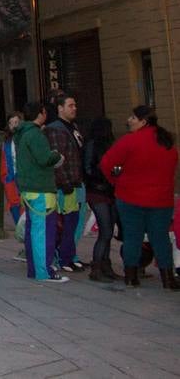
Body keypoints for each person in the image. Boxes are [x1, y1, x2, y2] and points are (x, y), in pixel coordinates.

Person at [100, 105, 179, 290]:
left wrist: (116, 180)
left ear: (143, 121)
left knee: (133, 237)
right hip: (161, 199)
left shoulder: (130, 141)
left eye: (133, 117)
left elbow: (107, 163)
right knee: (160, 238)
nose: (129, 120)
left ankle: (131, 276)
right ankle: (168, 278)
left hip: (130, 197)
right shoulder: (167, 142)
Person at [13, 101, 69, 283]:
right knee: (43, 232)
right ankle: (43, 271)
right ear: (41, 113)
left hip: (29, 190)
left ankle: (34, 269)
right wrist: (57, 156)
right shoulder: (35, 135)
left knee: (33, 231)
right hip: (41, 190)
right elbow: (44, 158)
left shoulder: (22, 134)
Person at [44, 93, 86, 273]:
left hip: (76, 181)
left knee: (76, 222)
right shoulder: (56, 129)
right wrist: (65, 181)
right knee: (67, 222)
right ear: (60, 108)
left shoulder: (72, 127)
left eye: (75, 105)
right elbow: (58, 158)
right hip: (66, 185)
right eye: (70, 105)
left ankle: (70, 255)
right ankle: (64, 257)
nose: (74, 108)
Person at [82, 117, 119, 282]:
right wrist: (106, 176)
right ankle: (97, 267)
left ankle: (105, 265)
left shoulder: (104, 145)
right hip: (98, 190)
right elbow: (88, 168)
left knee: (108, 230)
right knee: (106, 231)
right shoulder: (94, 144)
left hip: (106, 190)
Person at [0, 114, 23, 230]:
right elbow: (3, 160)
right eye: (11, 123)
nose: (14, 125)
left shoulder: (24, 138)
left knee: (24, 205)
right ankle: (21, 230)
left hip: (23, 177)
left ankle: (26, 236)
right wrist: (4, 177)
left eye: (16, 122)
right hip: (10, 177)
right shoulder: (6, 142)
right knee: (14, 205)